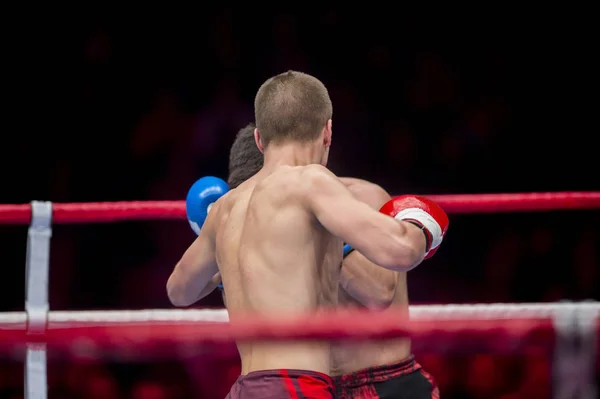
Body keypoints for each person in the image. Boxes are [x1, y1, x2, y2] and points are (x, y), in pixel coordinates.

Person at [167, 71, 448, 399]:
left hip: (249, 387)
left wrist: (232, 259)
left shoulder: (226, 208)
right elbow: (400, 250)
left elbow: (177, 291)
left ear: (261, 139)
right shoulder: (312, 182)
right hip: (298, 387)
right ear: (327, 132)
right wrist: (419, 226)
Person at [221, 123, 442, 398]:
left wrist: (319, 226)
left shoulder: (363, 198)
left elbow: (380, 292)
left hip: (382, 382)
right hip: (306, 386)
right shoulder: (241, 220)